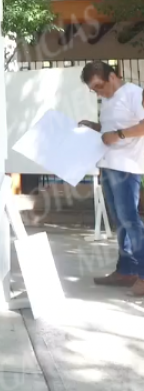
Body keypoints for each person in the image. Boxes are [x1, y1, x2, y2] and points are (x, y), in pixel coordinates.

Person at [79, 61, 144, 296]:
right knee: (121, 221)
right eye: (93, 90)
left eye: (99, 86)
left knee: (130, 220)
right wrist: (94, 127)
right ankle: (127, 270)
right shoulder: (107, 100)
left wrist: (117, 135)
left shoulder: (133, 94)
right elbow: (111, 130)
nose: (98, 93)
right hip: (108, 166)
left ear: (113, 76)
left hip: (127, 167)